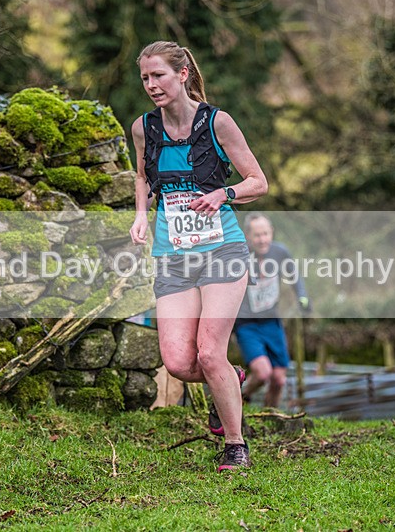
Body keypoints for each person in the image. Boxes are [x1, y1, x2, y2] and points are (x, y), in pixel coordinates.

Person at [129, 41, 268, 472]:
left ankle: (235, 444)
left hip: (222, 250)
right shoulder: (143, 128)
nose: (152, 85)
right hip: (173, 256)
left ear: (183, 74)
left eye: (159, 76)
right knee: (179, 362)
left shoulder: (218, 123)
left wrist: (221, 194)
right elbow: (141, 176)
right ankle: (233, 379)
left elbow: (258, 182)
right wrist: (140, 216)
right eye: (145, 78)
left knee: (210, 353)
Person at [234, 213, 310, 408]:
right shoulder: (239, 256)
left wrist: (303, 298)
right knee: (262, 373)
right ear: (248, 236)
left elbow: (295, 277)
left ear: (272, 233)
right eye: (257, 235)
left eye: (266, 234)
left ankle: (271, 416)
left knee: (279, 379)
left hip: (271, 320)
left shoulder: (279, 252)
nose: (262, 239)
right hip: (246, 323)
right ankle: (241, 396)